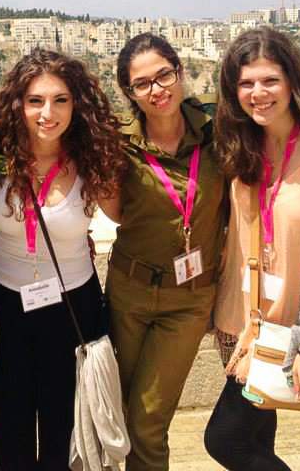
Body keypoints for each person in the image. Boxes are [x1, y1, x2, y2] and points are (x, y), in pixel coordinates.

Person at [205, 27, 300, 470]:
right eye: (246, 83)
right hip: (239, 321)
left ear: (292, 80)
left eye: (270, 80)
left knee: (225, 440)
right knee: (256, 441)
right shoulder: (238, 138)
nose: (258, 93)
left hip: (289, 326)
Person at [0, 48, 126, 471]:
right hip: (2, 305)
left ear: (77, 104)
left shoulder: (94, 159)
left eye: (61, 100)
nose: (49, 112)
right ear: (17, 105)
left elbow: (125, 216)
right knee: (10, 431)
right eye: (35, 101)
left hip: (71, 307)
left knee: (67, 435)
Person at [100, 33, 228, 471]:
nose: (158, 90)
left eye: (164, 75)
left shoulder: (217, 129)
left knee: (149, 419)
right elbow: (117, 214)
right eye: (143, 84)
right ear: (130, 93)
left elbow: (272, 123)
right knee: (119, 411)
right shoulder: (118, 143)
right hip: (129, 293)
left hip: (189, 300)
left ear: (179, 71)